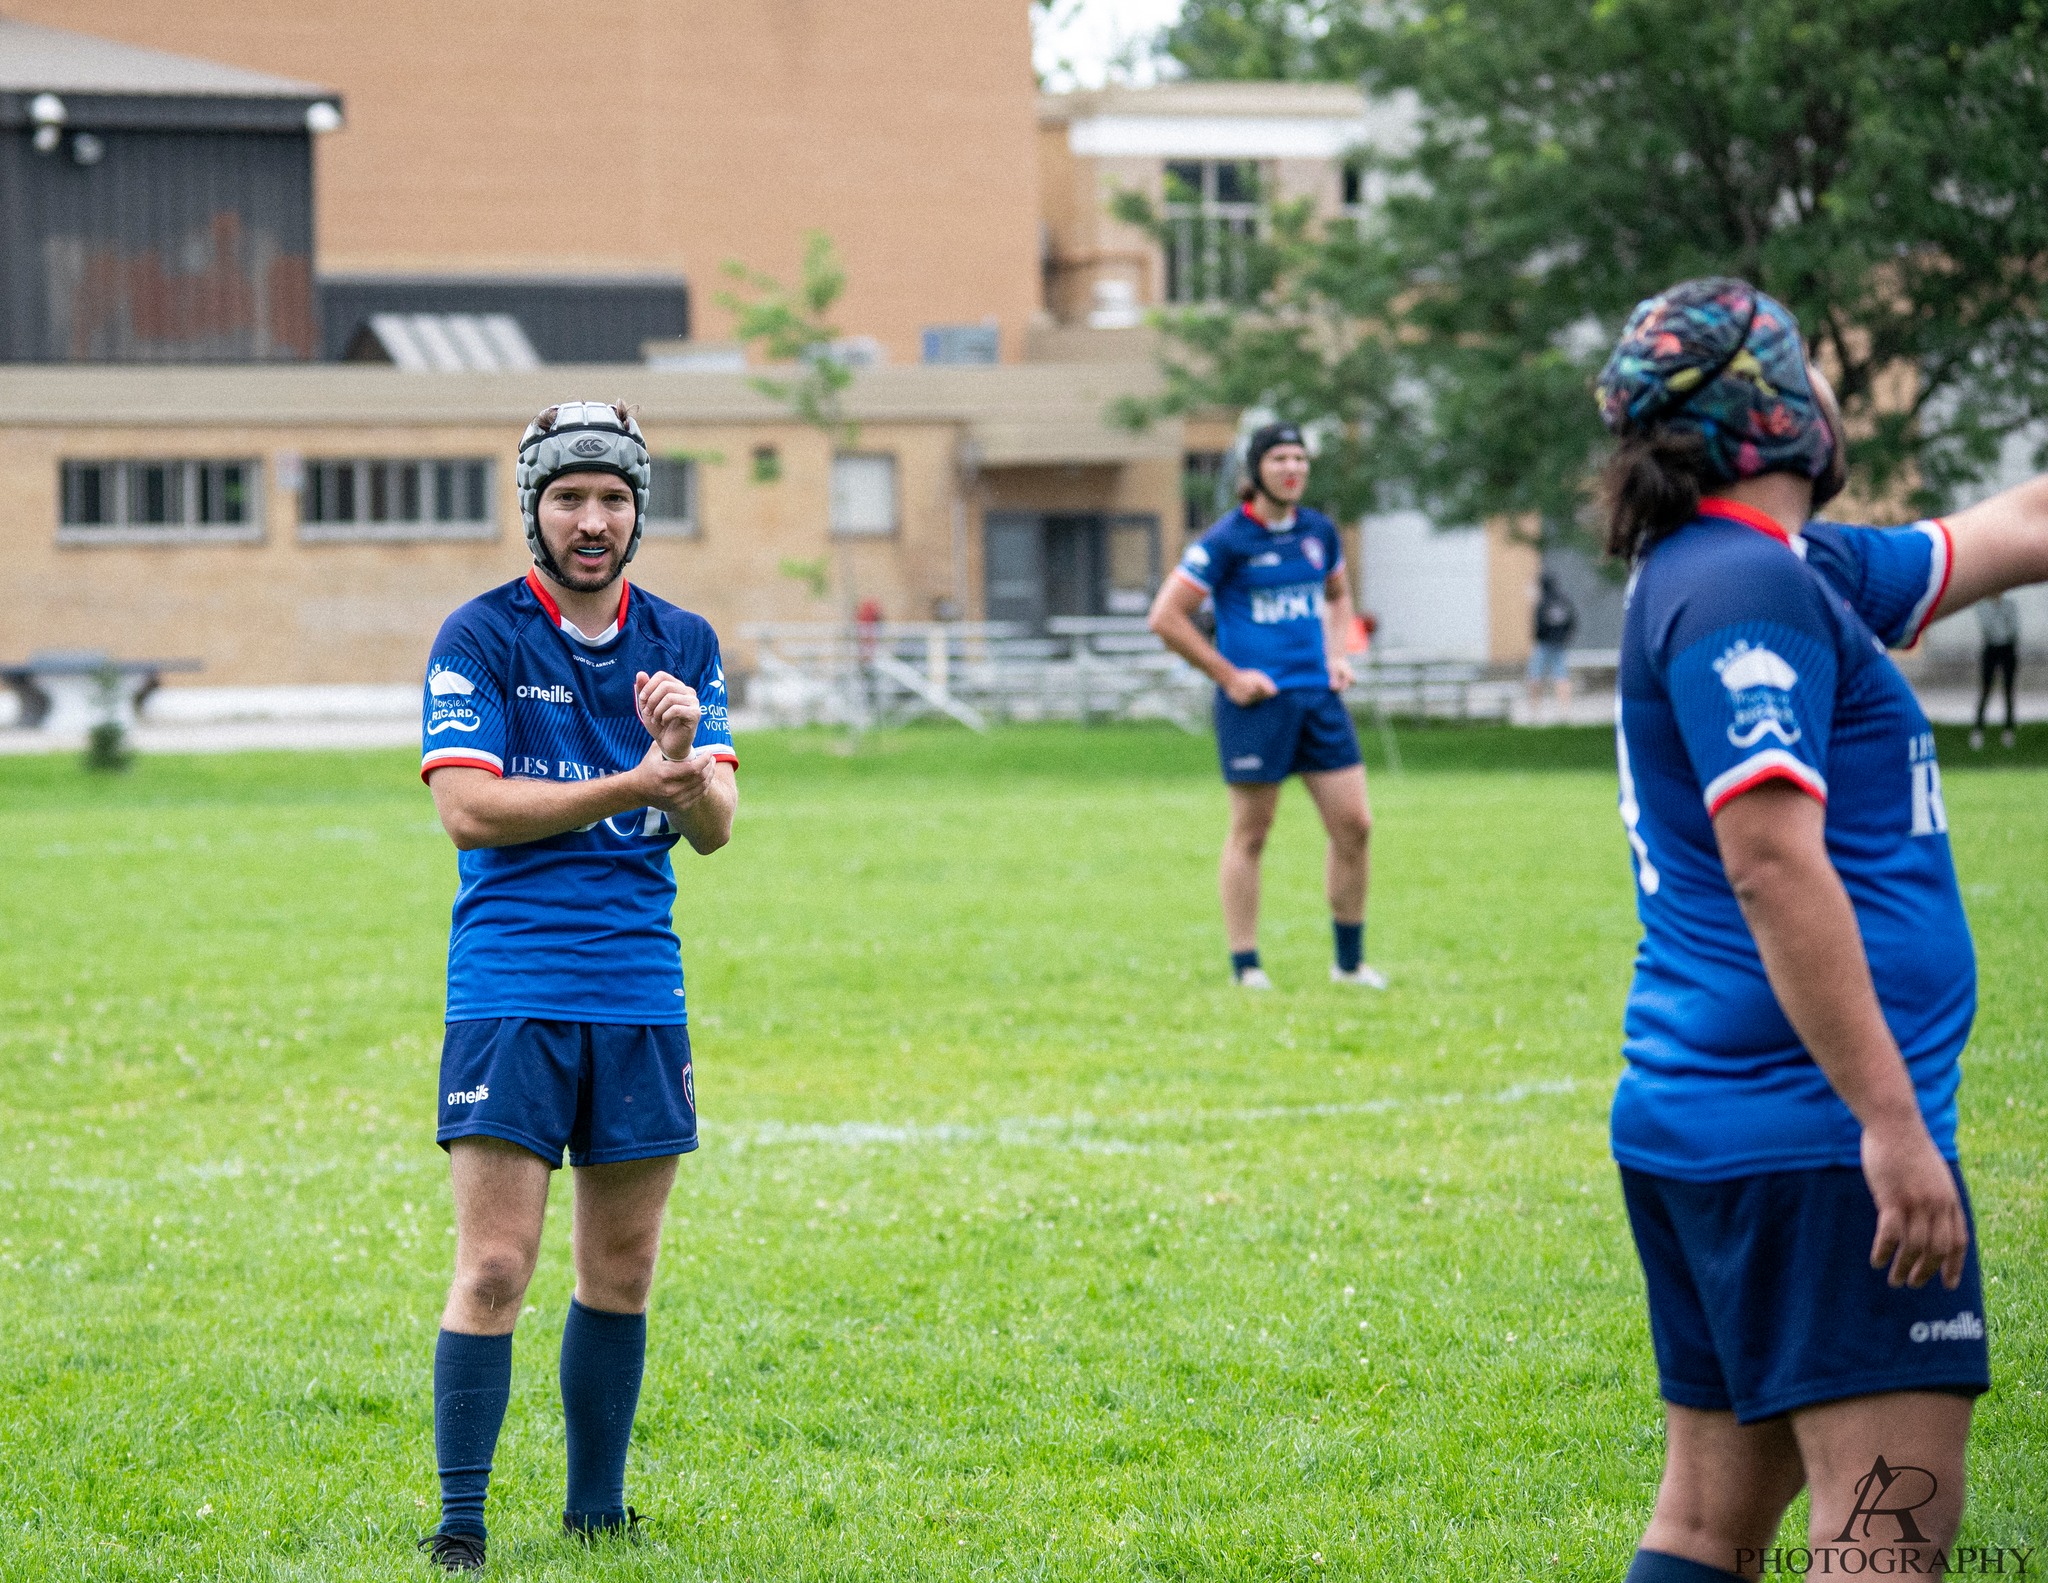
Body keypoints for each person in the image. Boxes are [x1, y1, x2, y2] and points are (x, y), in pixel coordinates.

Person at [1595, 277, 2048, 1581]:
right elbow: (1772, 860)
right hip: (1813, 1131)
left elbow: (2011, 527)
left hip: (1715, 1112)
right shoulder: (1746, 586)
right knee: (1886, 1526)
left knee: (1704, 1522)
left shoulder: (1785, 568)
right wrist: (1893, 1125)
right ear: (1775, 402)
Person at [414, 401, 739, 1571]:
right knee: (496, 1264)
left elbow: (713, 830)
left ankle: (596, 1510)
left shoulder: (682, 640)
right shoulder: (482, 633)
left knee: (623, 1266)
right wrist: (631, 779)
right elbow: (466, 807)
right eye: (569, 498)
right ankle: (459, 1521)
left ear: (637, 510)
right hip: (512, 983)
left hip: (639, 989)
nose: (592, 520)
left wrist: (687, 764)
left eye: (612, 499)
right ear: (534, 510)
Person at [1147, 422, 1383, 990]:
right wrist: (1229, 677)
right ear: (1254, 473)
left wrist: (1337, 655)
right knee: (1252, 833)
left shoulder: (1319, 533)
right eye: (1279, 459)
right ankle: (1246, 967)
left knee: (1355, 826)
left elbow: (1337, 596)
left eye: (1300, 458)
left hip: (1318, 701)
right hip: (1256, 706)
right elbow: (1165, 617)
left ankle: (1349, 966)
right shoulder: (1225, 541)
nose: (1292, 469)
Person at [1526, 569, 1579, 721]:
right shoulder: (1563, 601)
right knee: (1561, 676)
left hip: (1543, 644)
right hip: (1559, 644)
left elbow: (1538, 626)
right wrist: (1565, 637)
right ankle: (1565, 711)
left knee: (1535, 676)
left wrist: (1538, 637)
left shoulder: (1542, 602)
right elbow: (1572, 621)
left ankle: (1534, 712)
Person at [1970, 592, 2019, 749]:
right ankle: (1978, 729)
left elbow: (2013, 628)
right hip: (1991, 648)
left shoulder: (2009, 605)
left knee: (2008, 690)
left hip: (2007, 648)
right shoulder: (1983, 606)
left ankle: (2009, 729)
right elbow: (1988, 628)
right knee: (1985, 689)